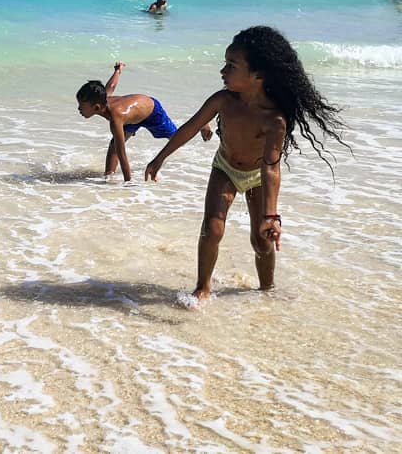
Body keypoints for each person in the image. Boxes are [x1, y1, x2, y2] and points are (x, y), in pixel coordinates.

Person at [144, 26, 347, 304]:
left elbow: (271, 168)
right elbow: (191, 127)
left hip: (257, 177)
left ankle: (267, 289)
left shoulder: (274, 120)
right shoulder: (223, 100)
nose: (222, 71)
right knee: (212, 228)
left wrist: (271, 216)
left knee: (261, 240)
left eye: (231, 65)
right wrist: (160, 158)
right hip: (225, 168)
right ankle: (202, 287)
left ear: (258, 75)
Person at [76, 61, 211, 182]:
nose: (78, 109)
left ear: (96, 107)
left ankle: (201, 123)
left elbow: (122, 153)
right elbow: (111, 86)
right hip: (131, 119)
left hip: (151, 112)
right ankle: (108, 177)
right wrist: (118, 70)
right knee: (113, 146)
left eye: (81, 106)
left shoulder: (115, 118)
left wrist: (128, 181)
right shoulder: (103, 98)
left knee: (175, 138)